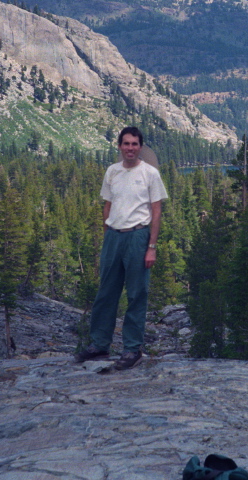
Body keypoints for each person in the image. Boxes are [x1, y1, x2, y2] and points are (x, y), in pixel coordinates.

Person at [74, 126, 168, 370]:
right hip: (113, 237)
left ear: (140, 147)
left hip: (138, 236)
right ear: (119, 146)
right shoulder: (112, 172)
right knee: (106, 292)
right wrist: (107, 237)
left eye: (134, 144)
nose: (130, 148)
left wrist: (152, 247)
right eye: (126, 144)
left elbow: (156, 212)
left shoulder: (150, 173)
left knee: (137, 294)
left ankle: (132, 348)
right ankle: (99, 345)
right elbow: (108, 206)